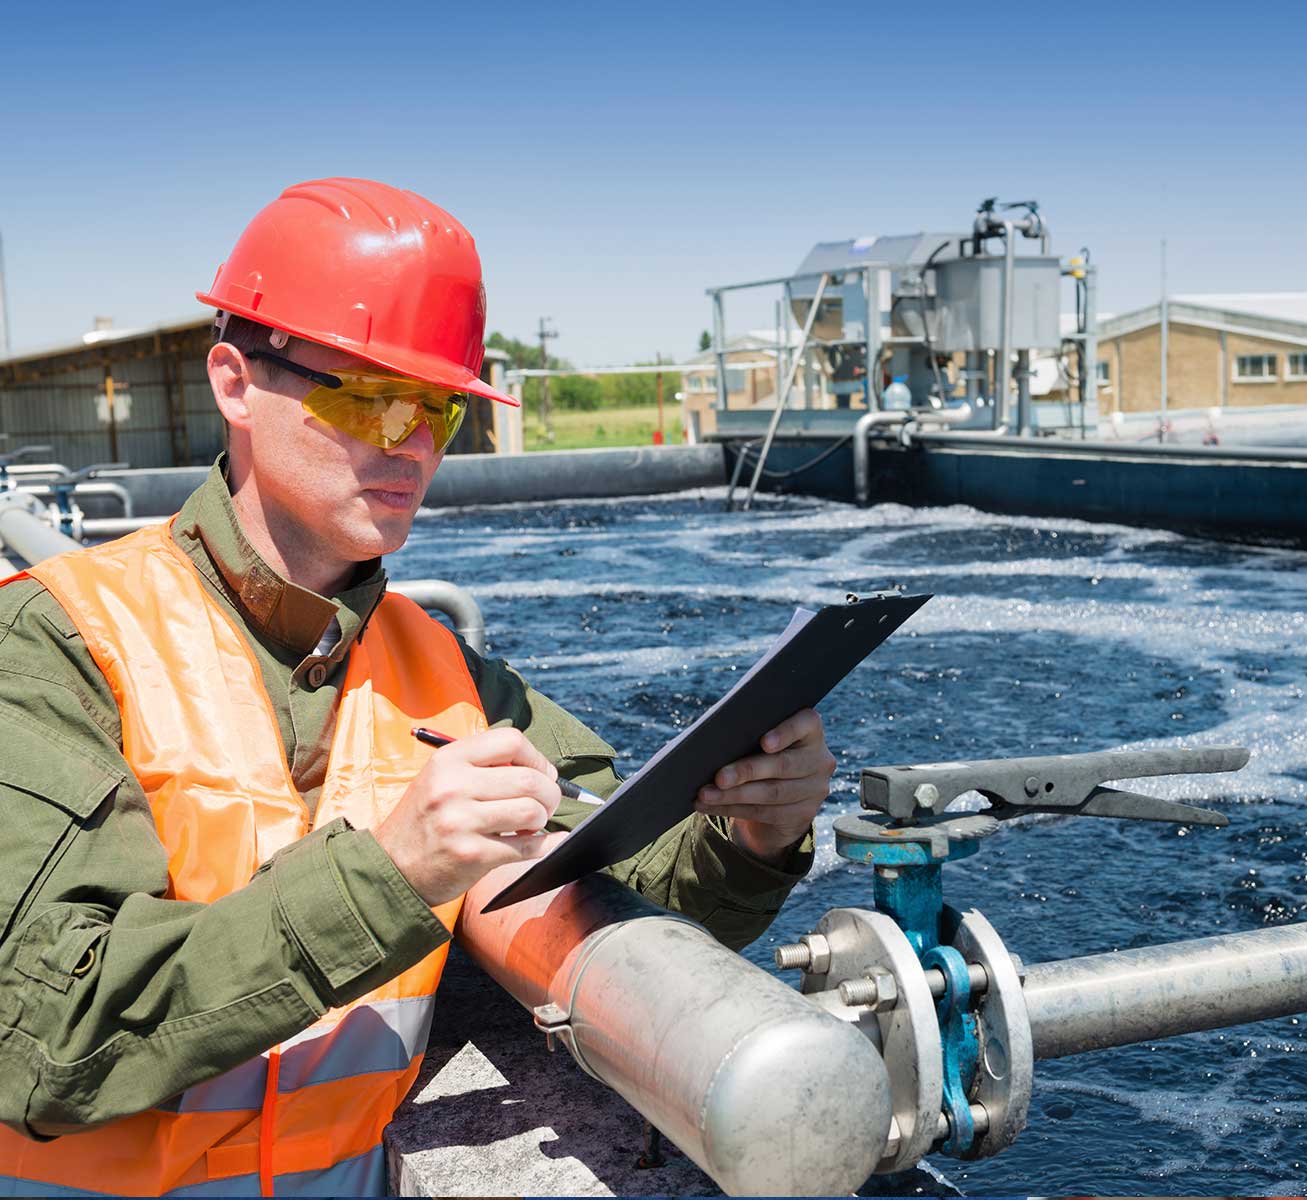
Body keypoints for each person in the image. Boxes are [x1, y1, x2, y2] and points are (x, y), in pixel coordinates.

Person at [0, 177, 837, 1196]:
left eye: (440, 409)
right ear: (233, 382)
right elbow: (41, 1037)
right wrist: (391, 872)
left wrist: (755, 832)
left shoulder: (447, 672)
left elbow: (641, 878)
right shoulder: (55, 643)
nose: (416, 446)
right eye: (373, 398)